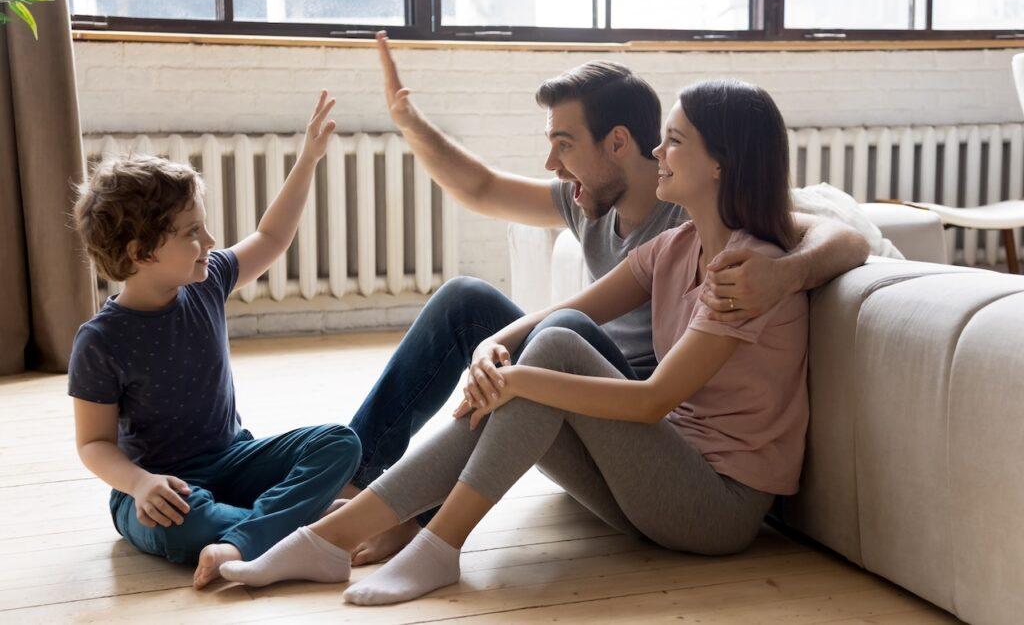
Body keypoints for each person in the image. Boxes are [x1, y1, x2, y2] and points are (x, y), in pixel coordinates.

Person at [219, 79, 811, 607]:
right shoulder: (675, 247)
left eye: (675, 141)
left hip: (715, 508)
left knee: (547, 352)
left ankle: (431, 544)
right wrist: (493, 348)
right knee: (545, 339)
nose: (658, 151)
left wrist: (518, 378)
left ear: (720, 165)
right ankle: (329, 539)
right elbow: (569, 311)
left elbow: (653, 400)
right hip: (656, 481)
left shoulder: (748, 272)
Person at [332, 32, 870, 565]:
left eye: (564, 144)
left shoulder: (696, 211)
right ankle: (353, 481)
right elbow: (481, 189)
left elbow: (839, 233)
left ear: (616, 143)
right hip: (615, 404)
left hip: (652, 409)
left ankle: (416, 522)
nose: (552, 164)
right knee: (467, 300)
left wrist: (786, 273)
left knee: (558, 335)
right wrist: (408, 122)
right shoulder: (588, 199)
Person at [68, 91, 361, 589]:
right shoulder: (100, 341)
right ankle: (303, 526)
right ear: (140, 253)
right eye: (190, 233)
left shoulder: (207, 280)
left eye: (203, 227)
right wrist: (139, 484)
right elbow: (94, 444)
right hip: (161, 489)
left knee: (338, 442)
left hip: (233, 458)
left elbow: (271, 238)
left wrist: (307, 159)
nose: (209, 241)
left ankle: (253, 538)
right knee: (188, 523)